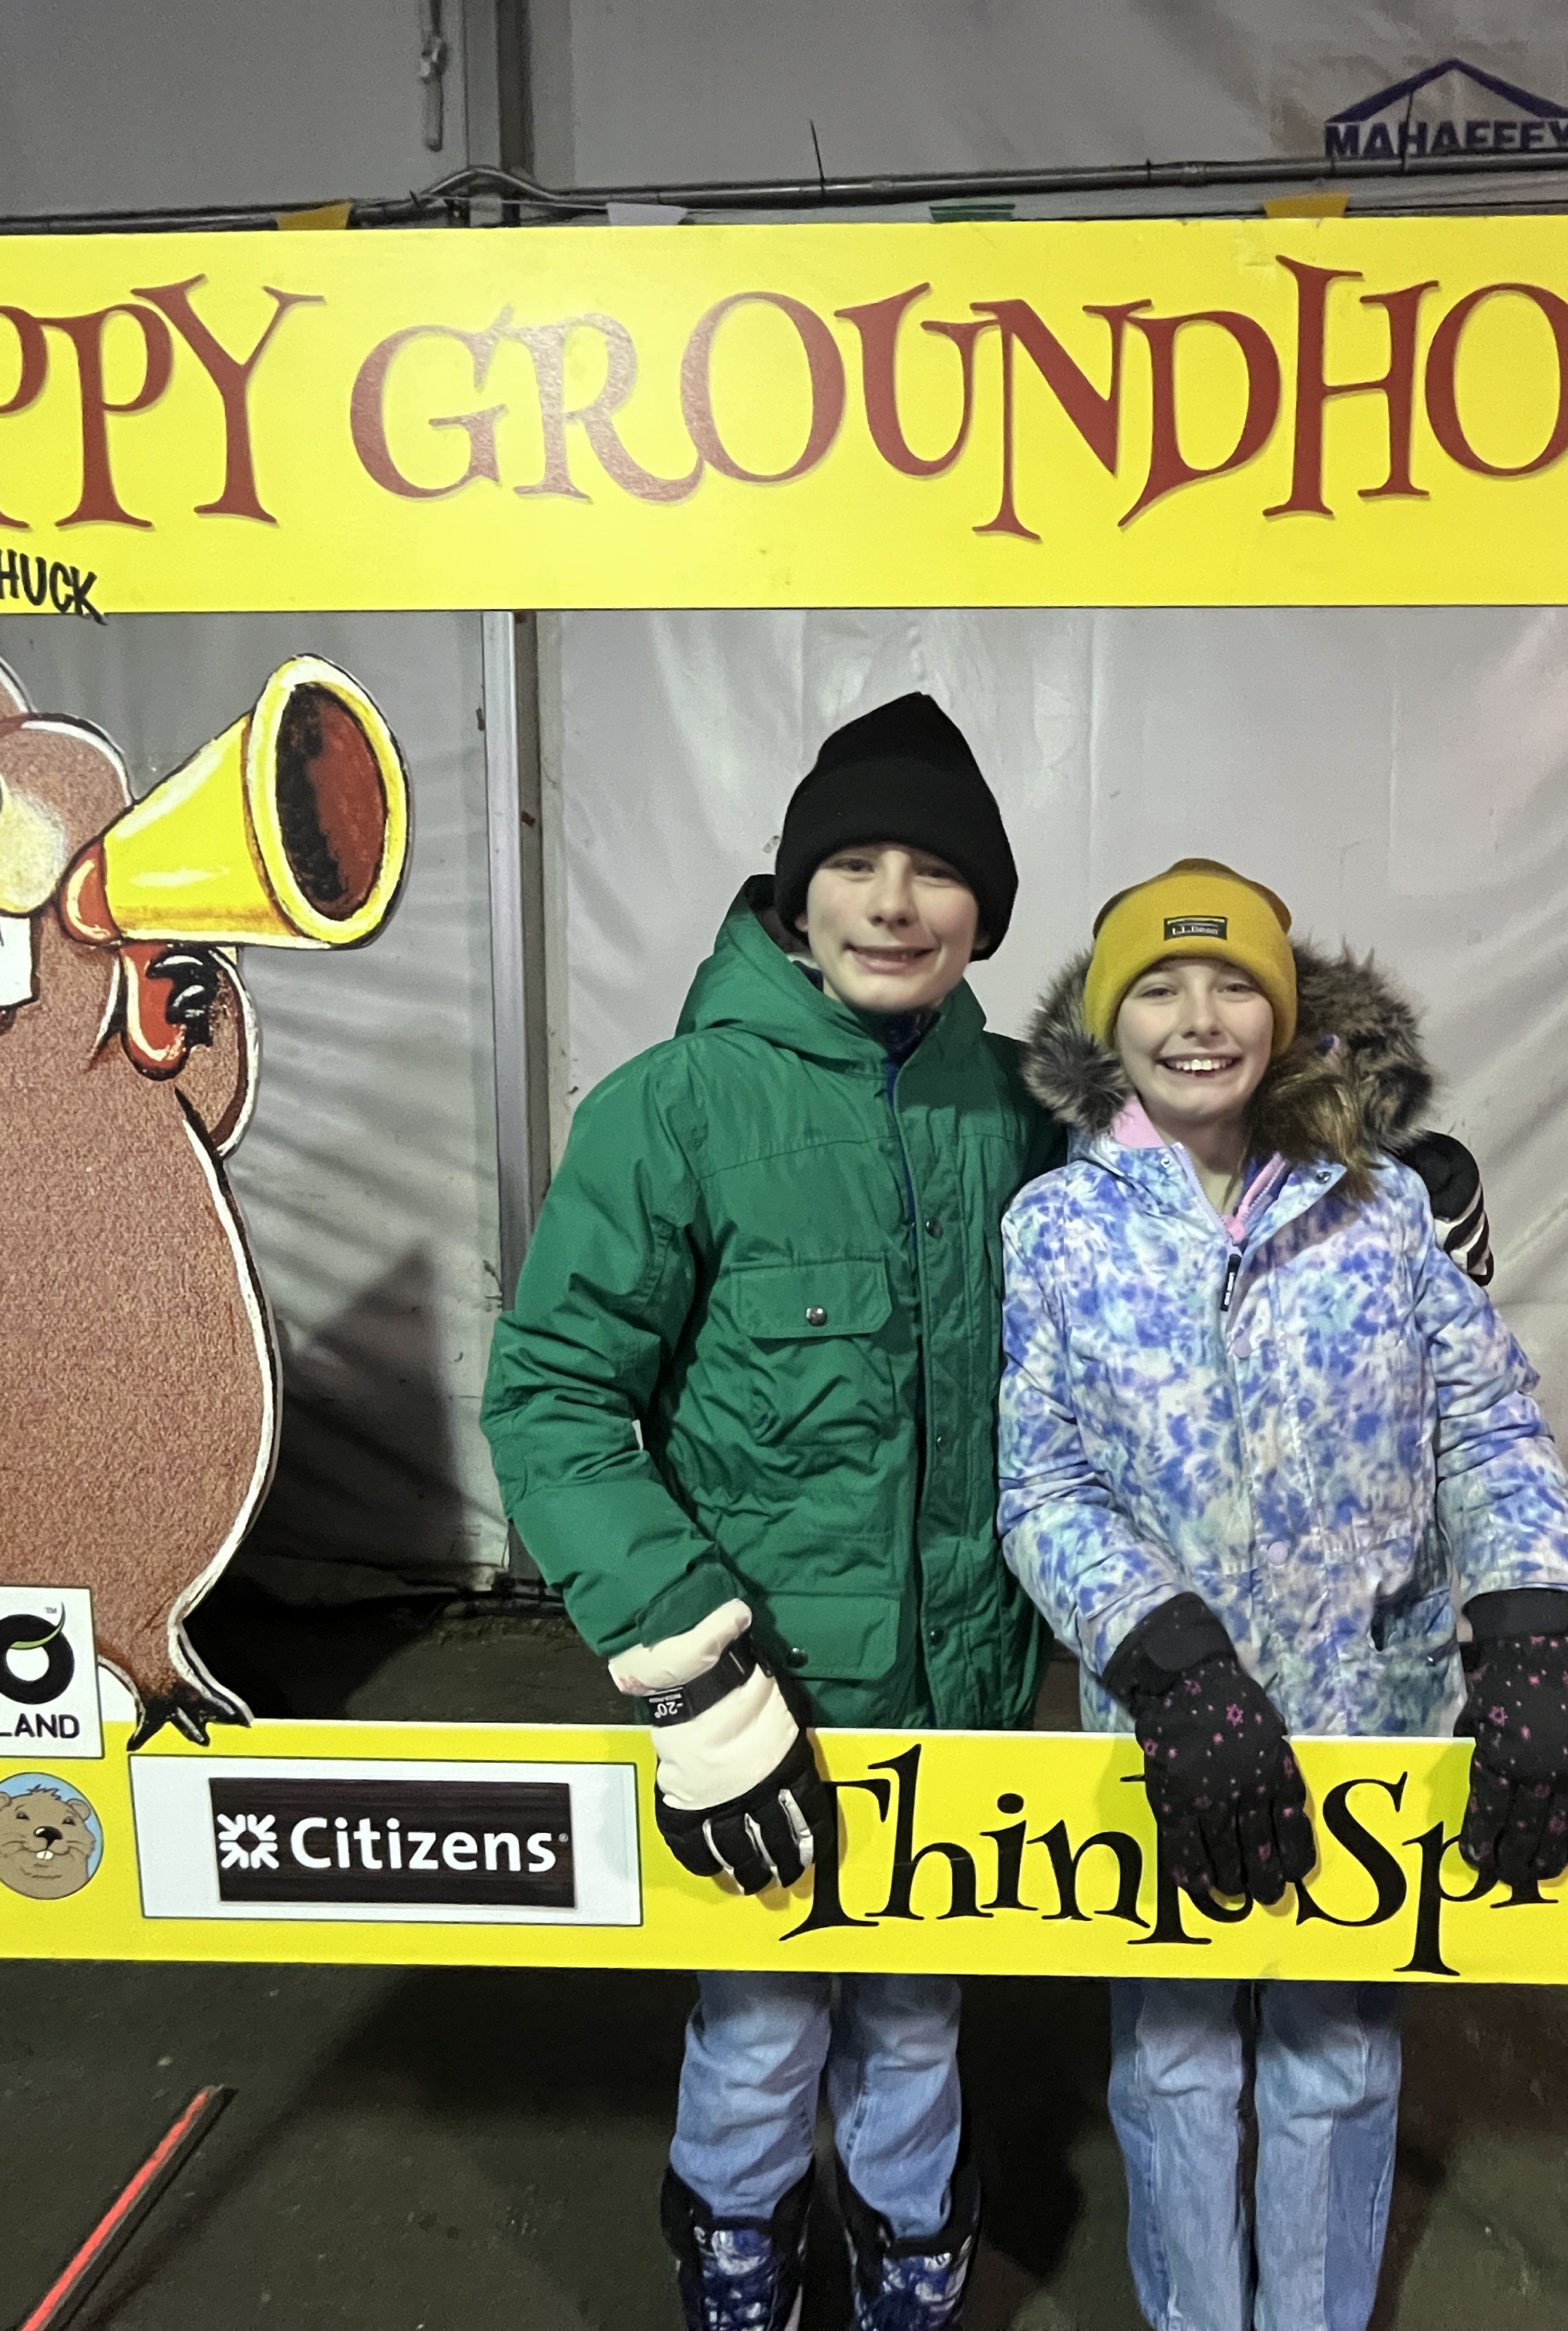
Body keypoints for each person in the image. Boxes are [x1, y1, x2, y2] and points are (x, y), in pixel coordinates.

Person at [481, 692, 1060, 2331]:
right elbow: (552, 1398)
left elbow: (1208, 1163)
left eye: (937, 872)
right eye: (856, 863)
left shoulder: (1022, 1110)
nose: (894, 900)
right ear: (794, 896)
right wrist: (696, 1676)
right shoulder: (671, 1112)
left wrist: (1385, 1176)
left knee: (921, 2007)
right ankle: (738, 2249)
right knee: (760, 2018)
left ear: (982, 914)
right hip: (770, 1712)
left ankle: (908, 2248)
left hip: (964, 1706)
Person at [996, 857, 1568, 2331]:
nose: (1199, 1017)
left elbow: (1485, 1430)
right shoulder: (1059, 1231)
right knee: (1173, 2062)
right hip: (1163, 1734)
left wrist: (1532, 1636)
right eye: (1159, 985)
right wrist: (1170, 1665)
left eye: (1235, 986)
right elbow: (1043, 1487)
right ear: (1110, 1022)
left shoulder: (1386, 1214)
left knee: (1334, 2062)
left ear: (1286, 1020)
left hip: (1367, 1717)